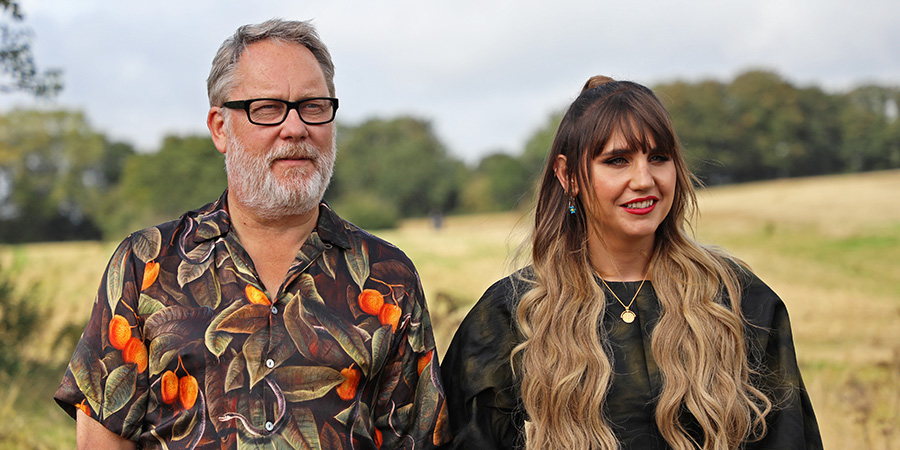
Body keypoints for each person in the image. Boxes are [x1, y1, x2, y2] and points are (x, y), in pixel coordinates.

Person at [55, 19, 450, 449]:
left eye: (314, 106)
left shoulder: (387, 277)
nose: (296, 128)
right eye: (267, 108)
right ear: (220, 127)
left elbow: (418, 438)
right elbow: (103, 437)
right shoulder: (146, 264)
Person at [440, 76, 822, 449]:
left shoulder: (737, 299)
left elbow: (789, 435)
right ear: (568, 174)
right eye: (617, 160)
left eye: (659, 158)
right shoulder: (513, 313)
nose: (644, 179)